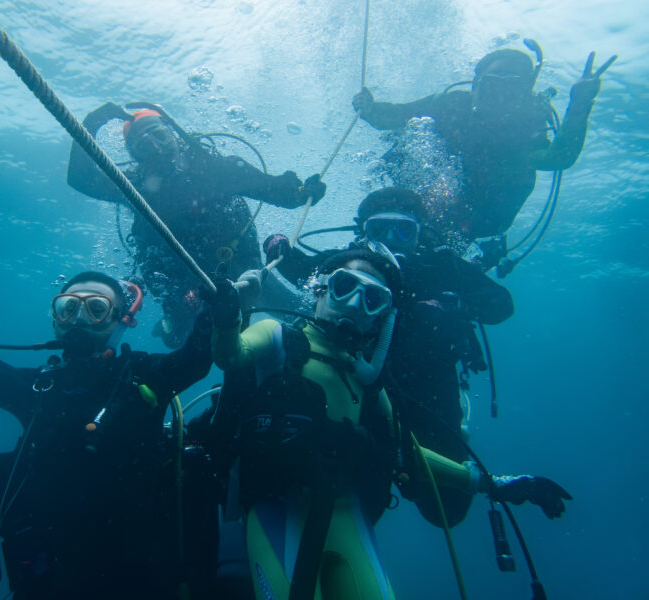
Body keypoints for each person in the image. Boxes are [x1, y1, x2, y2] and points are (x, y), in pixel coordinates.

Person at [200, 248, 567, 600]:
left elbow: (407, 454)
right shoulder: (278, 337)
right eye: (345, 288)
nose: (356, 305)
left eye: (372, 299)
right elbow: (231, 355)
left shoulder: (370, 386)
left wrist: (491, 483)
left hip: (349, 517)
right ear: (320, 289)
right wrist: (228, 316)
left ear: (383, 317)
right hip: (277, 507)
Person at [0, 241, 218, 600]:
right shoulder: (37, 387)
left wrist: (214, 312)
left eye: (97, 308)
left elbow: (193, 361)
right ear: (55, 319)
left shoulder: (143, 375)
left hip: (139, 569)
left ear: (121, 320)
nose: (81, 319)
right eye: (69, 308)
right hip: (55, 571)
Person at [264, 187, 513, 526]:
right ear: (362, 231)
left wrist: (452, 303)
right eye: (378, 230)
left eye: (404, 231)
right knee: (353, 486)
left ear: (419, 234)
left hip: (428, 388)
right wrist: (278, 246)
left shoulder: (441, 266)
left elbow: (501, 304)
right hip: (361, 386)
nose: (391, 240)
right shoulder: (356, 263)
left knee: (445, 512)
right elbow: (306, 270)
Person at [68, 103, 326, 348]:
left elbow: (270, 188)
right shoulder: (133, 185)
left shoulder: (215, 168)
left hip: (238, 263)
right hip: (180, 281)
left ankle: (333, 336)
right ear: (135, 155)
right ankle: (169, 327)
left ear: (173, 134)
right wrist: (92, 122)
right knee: (178, 339)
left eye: (159, 136)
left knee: (297, 313)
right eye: (144, 145)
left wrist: (301, 193)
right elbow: (80, 179)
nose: (156, 148)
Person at [352, 44, 615, 263]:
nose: (499, 97)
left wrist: (580, 104)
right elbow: (393, 117)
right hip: (425, 201)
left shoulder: (521, 135)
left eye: (511, 89)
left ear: (525, 94)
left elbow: (559, 157)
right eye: (492, 86)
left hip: (480, 216)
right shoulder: (451, 105)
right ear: (475, 85)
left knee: (438, 262)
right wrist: (369, 109)